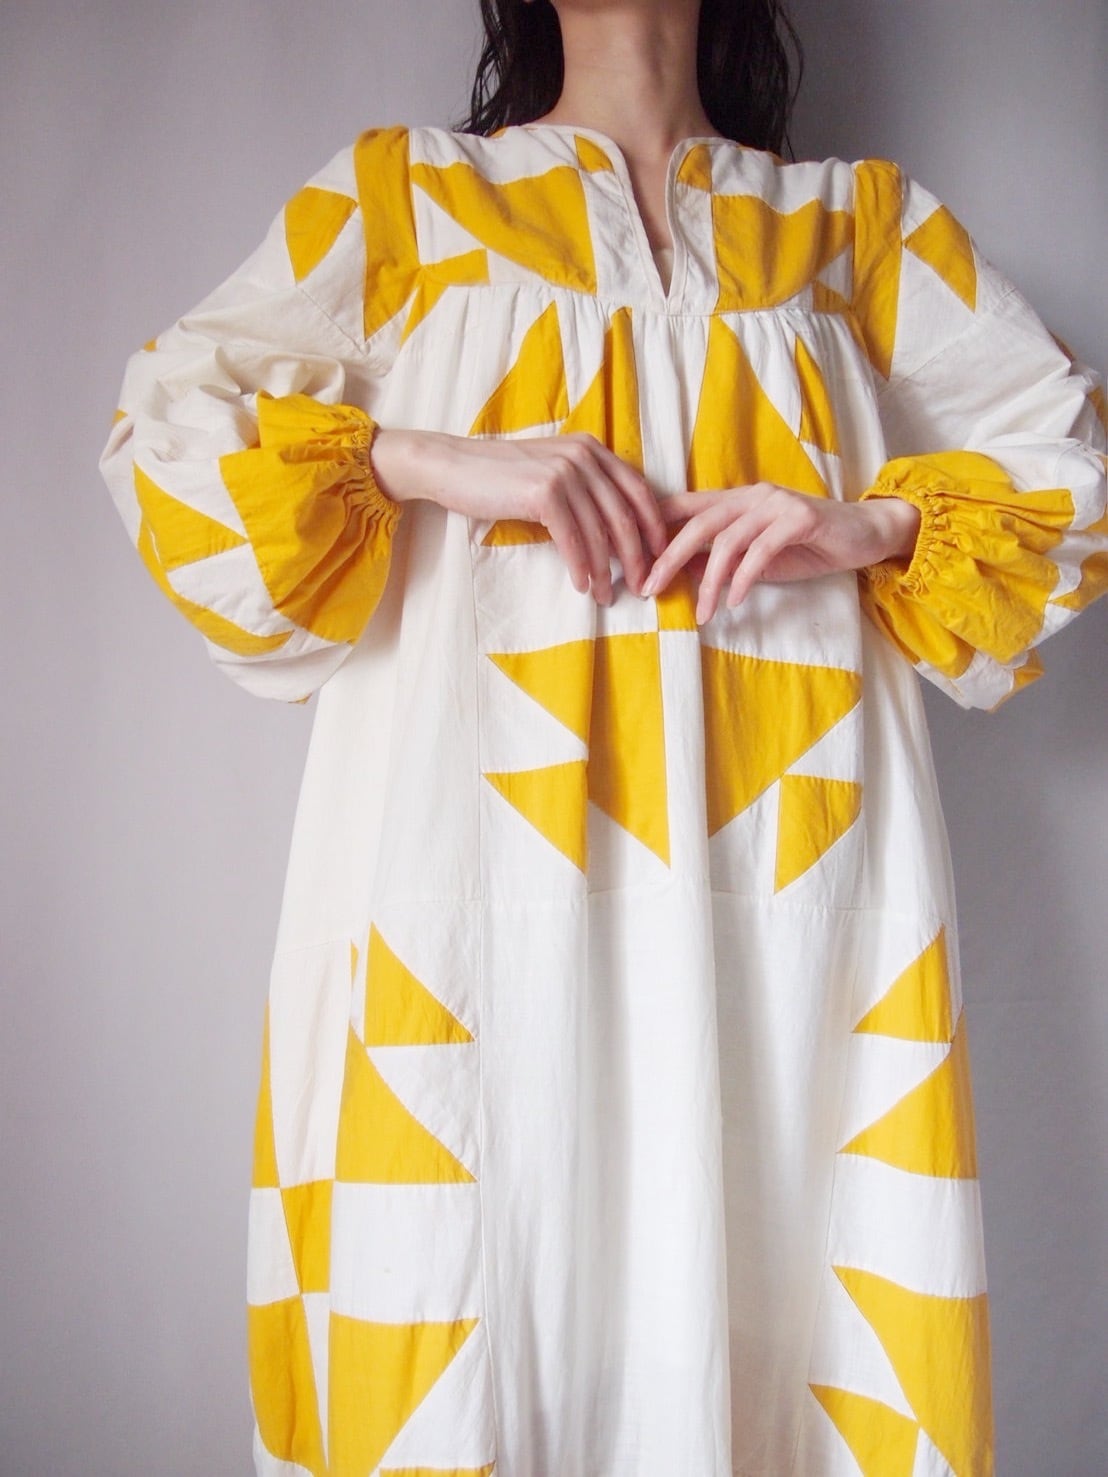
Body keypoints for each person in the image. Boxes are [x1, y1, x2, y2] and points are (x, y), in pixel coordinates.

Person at [97, 1, 1105, 1472]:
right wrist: (424, 458)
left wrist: (871, 520)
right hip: (465, 912)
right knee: (475, 1292)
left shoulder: (856, 229)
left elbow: (1070, 458)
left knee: (787, 1309)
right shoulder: (404, 200)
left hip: (791, 913)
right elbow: (164, 440)